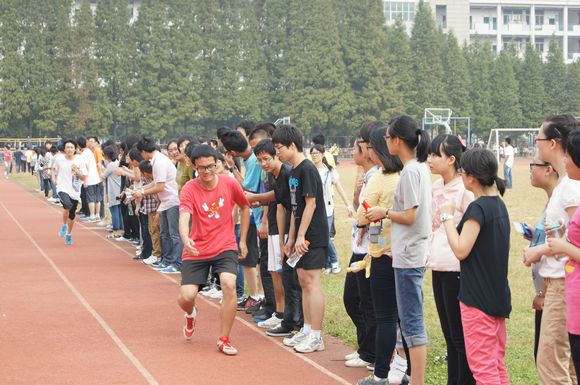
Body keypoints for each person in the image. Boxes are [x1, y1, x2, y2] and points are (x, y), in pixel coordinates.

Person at [366, 115, 431, 385]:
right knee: (408, 321)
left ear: (397, 140)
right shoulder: (415, 169)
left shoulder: (412, 171)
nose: (384, 142)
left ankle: (416, 380)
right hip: (406, 254)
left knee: (412, 324)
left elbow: (410, 216)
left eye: (387, 137)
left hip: (409, 256)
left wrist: (385, 212)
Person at [440, 148, 511, 385]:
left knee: (483, 368)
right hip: (497, 297)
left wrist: (446, 218)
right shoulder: (499, 205)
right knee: (496, 364)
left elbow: (461, 249)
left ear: (470, 176)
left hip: (477, 301)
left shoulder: (478, 208)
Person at [177, 144, 250, 355]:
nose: (207, 171)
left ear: (217, 163)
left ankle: (224, 338)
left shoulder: (229, 183)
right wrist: (185, 239)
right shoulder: (190, 188)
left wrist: (242, 240)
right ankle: (190, 315)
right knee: (186, 297)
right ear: (193, 166)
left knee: (229, 283)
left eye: (211, 166)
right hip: (196, 249)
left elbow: (245, 206)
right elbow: (184, 217)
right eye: (202, 168)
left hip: (225, 246)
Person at [524, 114, 580, 385]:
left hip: (563, 282)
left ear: (554, 143)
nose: (536, 143)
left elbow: (575, 239)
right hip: (557, 282)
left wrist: (540, 250)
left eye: (539, 138)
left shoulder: (569, 188)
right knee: (566, 364)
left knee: (550, 362)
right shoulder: (564, 184)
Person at [272, 124, 328, 354]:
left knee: (312, 282)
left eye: (279, 148)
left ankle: (316, 335)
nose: (278, 154)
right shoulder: (293, 171)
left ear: (292, 146)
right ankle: (306, 329)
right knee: (303, 279)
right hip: (301, 234)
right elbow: (295, 208)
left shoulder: (307, 170)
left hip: (314, 234)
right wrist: (290, 237)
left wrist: (302, 235)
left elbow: (311, 203)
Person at [426, 134, 475, 385]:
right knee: (448, 334)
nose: (430, 159)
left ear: (452, 159)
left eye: (436, 155)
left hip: (456, 267)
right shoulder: (436, 188)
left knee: (459, 336)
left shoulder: (464, 190)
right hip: (438, 265)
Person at [355, 126, 403, 385]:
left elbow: (362, 216)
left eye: (371, 147)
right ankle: (402, 369)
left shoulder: (380, 179)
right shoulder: (405, 175)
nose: (368, 151)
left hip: (384, 254)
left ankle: (381, 374)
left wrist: (372, 212)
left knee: (385, 316)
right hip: (402, 254)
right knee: (403, 317)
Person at [343, 121, 381, 370]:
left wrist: (370, 241)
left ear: (368, 148)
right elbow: (360, 206)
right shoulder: (367, 175)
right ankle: (367, 347)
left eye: (358, 144)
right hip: (360, 247)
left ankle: (371, 351)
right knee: (354, 299)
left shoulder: (378, 176)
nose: (355, 148)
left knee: (366, 302)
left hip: (370, 247)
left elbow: (372, 214)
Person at [547, 127, 580, 383]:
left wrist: (563, 247)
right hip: (572, 295)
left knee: (553, 363)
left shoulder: (570, 188)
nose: (565, 160)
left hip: (571, 293)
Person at [221, 130, 265, 312]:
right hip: (255, 215)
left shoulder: (254, 161)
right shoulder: (251, 160)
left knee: (250, 258)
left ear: (232, 152)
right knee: (253, 258)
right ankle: (257, 295)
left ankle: (258, 296)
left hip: (257, 216)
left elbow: (247, 190)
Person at [524, 155, 559, 362]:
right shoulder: (552, 200)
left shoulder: (560, 201)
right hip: (548, 293)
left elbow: (560, 254)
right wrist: (535, 234)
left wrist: (542, 294)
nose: (530, 169)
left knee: (549, 361)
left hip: (551, 295)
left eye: (534, 164)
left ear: (548, 169)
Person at [134, 136, 183, 274]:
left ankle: (177, 263)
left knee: (173, 234)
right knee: (164, 233)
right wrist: (141, 190)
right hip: (166, 202)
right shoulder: (157, 160)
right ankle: (166, 260)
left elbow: (160, 186)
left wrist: (142, 192)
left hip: (172, 200)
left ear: (143, 151)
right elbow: (156, 183)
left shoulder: (159, 162)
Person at [309, 144, 354, 274]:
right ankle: (327, 265)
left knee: (326, 237)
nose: (314, 155)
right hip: (314, 210)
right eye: (312, 153)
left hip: (327, 209)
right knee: (321, 237)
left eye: (317, 153)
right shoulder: (310, 170)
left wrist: (347, 205)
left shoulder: (329, 171)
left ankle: (334, 262)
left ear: (323, 154)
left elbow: (339, 187)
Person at [52, 139, 87, 245]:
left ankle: (68, 234)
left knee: (72, 215)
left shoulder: (80, 160)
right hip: (62, 188)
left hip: (75, 191)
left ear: (75, 149)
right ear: (64, 149)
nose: (70, 149)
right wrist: (54, 179)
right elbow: (53, 169)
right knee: (67, 205)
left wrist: (76, 170)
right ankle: (64, 225)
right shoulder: (59, 159)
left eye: (72, 147)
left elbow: (83, 177)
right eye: (67, 147)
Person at [77, 137, 102, 223]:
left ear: (78, 146)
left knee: (91, 199)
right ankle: (97, 215)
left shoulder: (83, 155)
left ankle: (92, 216)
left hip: (90, 179)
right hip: (96, 178)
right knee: (97, 198)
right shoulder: (89, 152)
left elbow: (85, 169)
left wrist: (85, 180)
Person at [100, 146, 123, 239]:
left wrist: (100, 167)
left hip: (113, 190)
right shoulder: (117, 163)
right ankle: (120, 229)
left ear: (106, 156)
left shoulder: (111, 165)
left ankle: (116, 230)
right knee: (119, 210)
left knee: (114, 210)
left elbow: (102, 176)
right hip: (119, 189)